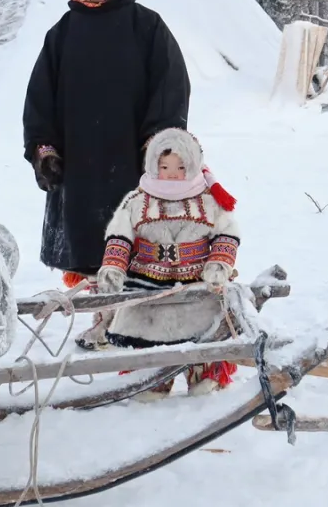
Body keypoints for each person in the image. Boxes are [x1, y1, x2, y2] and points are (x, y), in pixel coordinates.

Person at [22, 0, 191, 329]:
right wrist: (44, 150)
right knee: (91, 249)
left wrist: (157, 144)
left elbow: (170, 87)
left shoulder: (146, 25)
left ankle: (132, 320)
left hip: (130, 161)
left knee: (133, 243)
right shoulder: (63, 32)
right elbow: (39, 97)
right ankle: (103, 319)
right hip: (78, 163)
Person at [94, 126, 240, 398]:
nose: (172, 173)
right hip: (148, 284)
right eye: (164, 166)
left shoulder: (209, 201)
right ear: (152, 165)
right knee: (149, 336)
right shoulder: (137, 201)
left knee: (205, 332)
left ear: (194, 165)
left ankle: (203, 374)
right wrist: (113, 267)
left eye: (181, 166)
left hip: (198, 284)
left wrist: (219, 263)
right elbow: (120, 236)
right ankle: (152, 377)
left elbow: (227, 233)